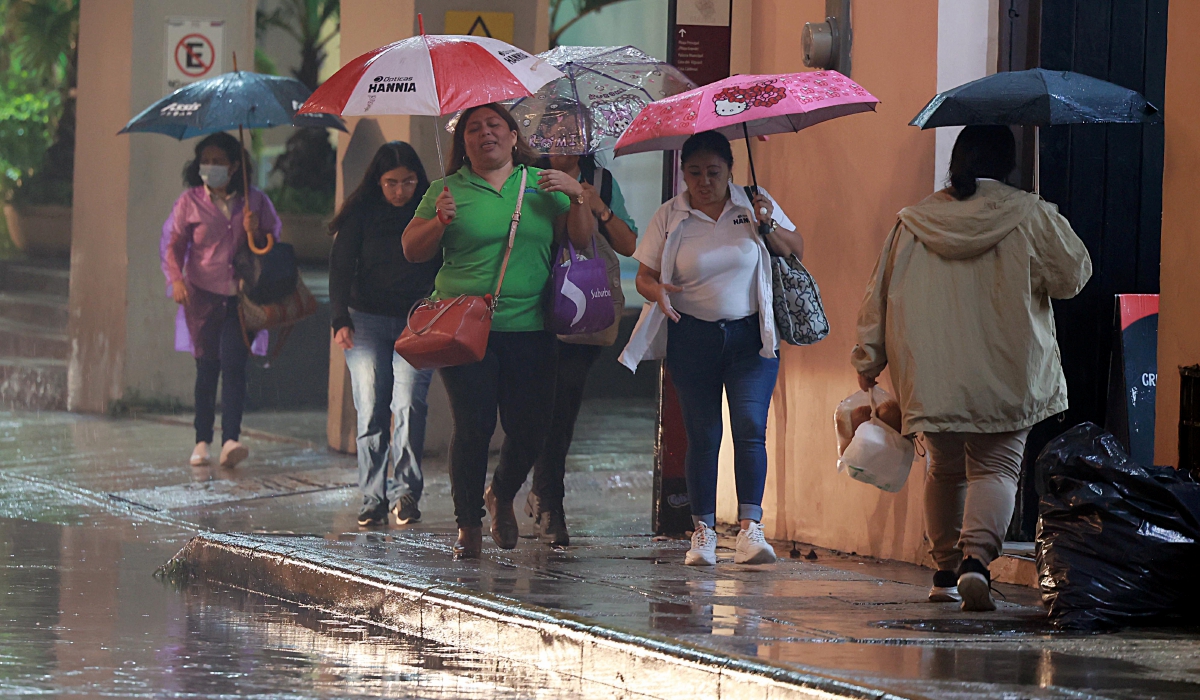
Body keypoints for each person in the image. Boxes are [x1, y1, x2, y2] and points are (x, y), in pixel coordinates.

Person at [851, 125, 1092, 612]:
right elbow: (1072, 277)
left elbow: (878, 291)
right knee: (995, 467)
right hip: (1007, 367)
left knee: (943, 468)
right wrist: (1047, 216)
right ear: (1008, 165)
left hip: (931, 370)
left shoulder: (913, 221)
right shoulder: (1027, 213)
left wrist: (868, 357)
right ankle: (976, 565)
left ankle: (943, 572)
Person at [402, 103, 597, 560]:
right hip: (462, 329)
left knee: (531, 428)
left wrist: (578, 196)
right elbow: (412, 249)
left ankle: (501, 493)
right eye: (474, 129)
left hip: (531, 328)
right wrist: (438, 221)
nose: (484, 134)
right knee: (474, 425)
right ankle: (467, 524)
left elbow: (583, 240)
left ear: (513, 136)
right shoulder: (445, 189)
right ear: (463, 142)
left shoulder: (541, 185)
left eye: (494, 125)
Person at [619, 130, 804, 567]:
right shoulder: (671, 214)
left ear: (730, 172)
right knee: (703, 435)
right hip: (692, 337)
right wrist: (655, 291)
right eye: (695, 173)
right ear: (683, 173)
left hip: (750, 339)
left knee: (749, 426)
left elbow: (797, 249)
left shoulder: (754, 203)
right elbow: (645, 274)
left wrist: (768, 223)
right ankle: (701, 531)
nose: (704, 182)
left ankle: (750, 529)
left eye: (714, 173)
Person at [523, 150, 639, 547]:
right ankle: (527, 489)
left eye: (573, 128)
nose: (564, 138)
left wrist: (597, 206)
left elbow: (628, 245)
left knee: (562, 403)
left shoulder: (600, 180)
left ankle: (550, 500)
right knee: (537, 407)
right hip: (531, 304)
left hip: (583, 310)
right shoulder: (528, 175)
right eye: (556, 129)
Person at [329, 142, 441, 528]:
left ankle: (405, 492)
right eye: (391, 183)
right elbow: (341, 265)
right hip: (368, 321)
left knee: (410, 404)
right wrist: (339, 318)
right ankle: (373, 495)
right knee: (371, 408)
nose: (399, 191)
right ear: (378, 182)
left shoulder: (430, 209)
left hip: (418, 320)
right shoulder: (362, 213)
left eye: (408, 182)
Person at [161, 131, 280, 469]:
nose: (210, 167)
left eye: (218, 161)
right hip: (202, 296)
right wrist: (177, 280)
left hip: (242, 299)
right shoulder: (189, 203)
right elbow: (174, 246)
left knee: (234, 366)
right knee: (207, 368)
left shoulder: (255, 202)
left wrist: (255, 230)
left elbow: (273, 241)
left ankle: (231, 439)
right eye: (206, 161)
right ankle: (202, 440)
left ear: (235, 167)